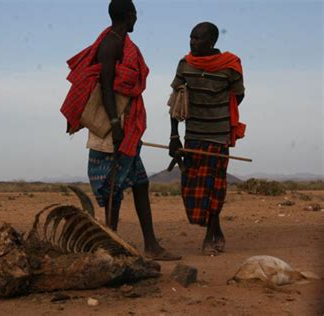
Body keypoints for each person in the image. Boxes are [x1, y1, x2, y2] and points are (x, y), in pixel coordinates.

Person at [61, 0, 181, 260]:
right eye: (135, 15)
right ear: (130, 15)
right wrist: (115, 125)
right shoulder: (111, 44)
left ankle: (151, 245)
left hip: (126, 128)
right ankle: (108, 246)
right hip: (112, 127)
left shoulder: (120, 42)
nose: (137, 19)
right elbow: (106, 86)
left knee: (140, 183)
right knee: (113, 188)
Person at [168, 22, 246, 256]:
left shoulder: (230, 66)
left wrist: (217, 109)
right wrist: (174, 136)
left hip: (219, 135)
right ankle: (216, 227)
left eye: (197, 38)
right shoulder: (185, 64)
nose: (192, 42)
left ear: (211, 42)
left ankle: (210, 236)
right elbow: (175, 101)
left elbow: (238, 95)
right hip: (193, 134)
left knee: (215, 186)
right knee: (191, 187)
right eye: (190, 37)